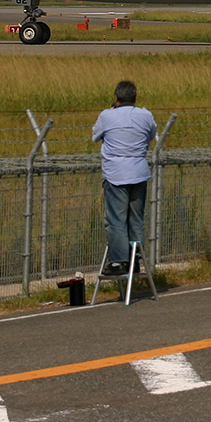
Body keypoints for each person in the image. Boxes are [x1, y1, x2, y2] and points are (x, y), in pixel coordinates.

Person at [92, 80, 156, 277]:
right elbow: (152, 135)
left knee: (116, 219)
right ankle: (135, 258)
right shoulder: (146, 115)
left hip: (116, 173)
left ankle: (119, 261)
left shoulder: (106, 115)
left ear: (116, 98)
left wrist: (111, 113)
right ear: (135, 98)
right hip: (138, 171)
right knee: (136, 218)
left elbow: (95, 136)